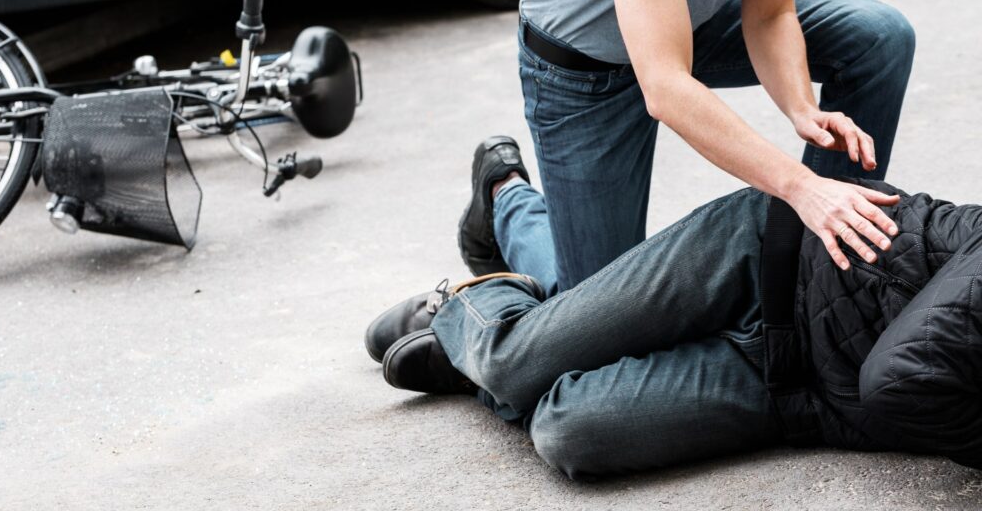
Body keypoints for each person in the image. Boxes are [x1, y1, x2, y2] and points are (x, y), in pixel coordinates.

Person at [366, 176, 982, 480]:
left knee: (567, 433)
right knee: (511, 364)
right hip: (767, 256)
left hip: (798, 393)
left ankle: (503, 335)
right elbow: (900, 379)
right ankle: (476, 294)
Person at [458, 0, 917, 297]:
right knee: (595, 314)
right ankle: (505, 199)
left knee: (878, 36)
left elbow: (771, 14)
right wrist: (802, 187)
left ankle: (814, 274)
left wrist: (802, 108)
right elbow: (666, 87)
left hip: (685, 19)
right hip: (582, 71)